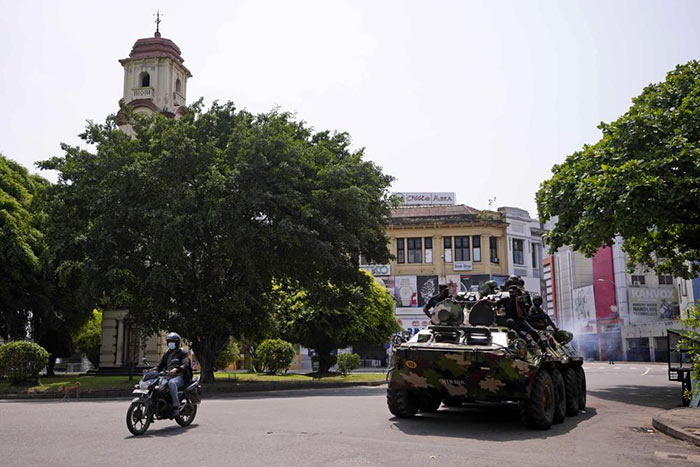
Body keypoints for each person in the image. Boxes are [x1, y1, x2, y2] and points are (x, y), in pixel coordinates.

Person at [498, 285, 548, 352]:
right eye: (510, 292)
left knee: (533, 331)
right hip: (510, 320)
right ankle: (524, 336)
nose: (512, 294)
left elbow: (520, 315)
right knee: (511, 322)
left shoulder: (521, 302)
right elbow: (495, 303)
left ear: (516, 292)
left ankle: (544, 350)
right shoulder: (506, 299)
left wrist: (517, 303)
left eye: (513, 292)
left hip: (520, 319)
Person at [156, 332, 192, 416]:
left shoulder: (183, 353)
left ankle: (176, 406)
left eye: (173, 341)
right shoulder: (167, 354)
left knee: (171, 383)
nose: (170, 343)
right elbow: (160, 366)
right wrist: (151, 370)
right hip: (168, 376)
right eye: (169, 341)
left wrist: (177, 369)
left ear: (177, 343)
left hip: (181, 377)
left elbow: (185, 364)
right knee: (156, 384)